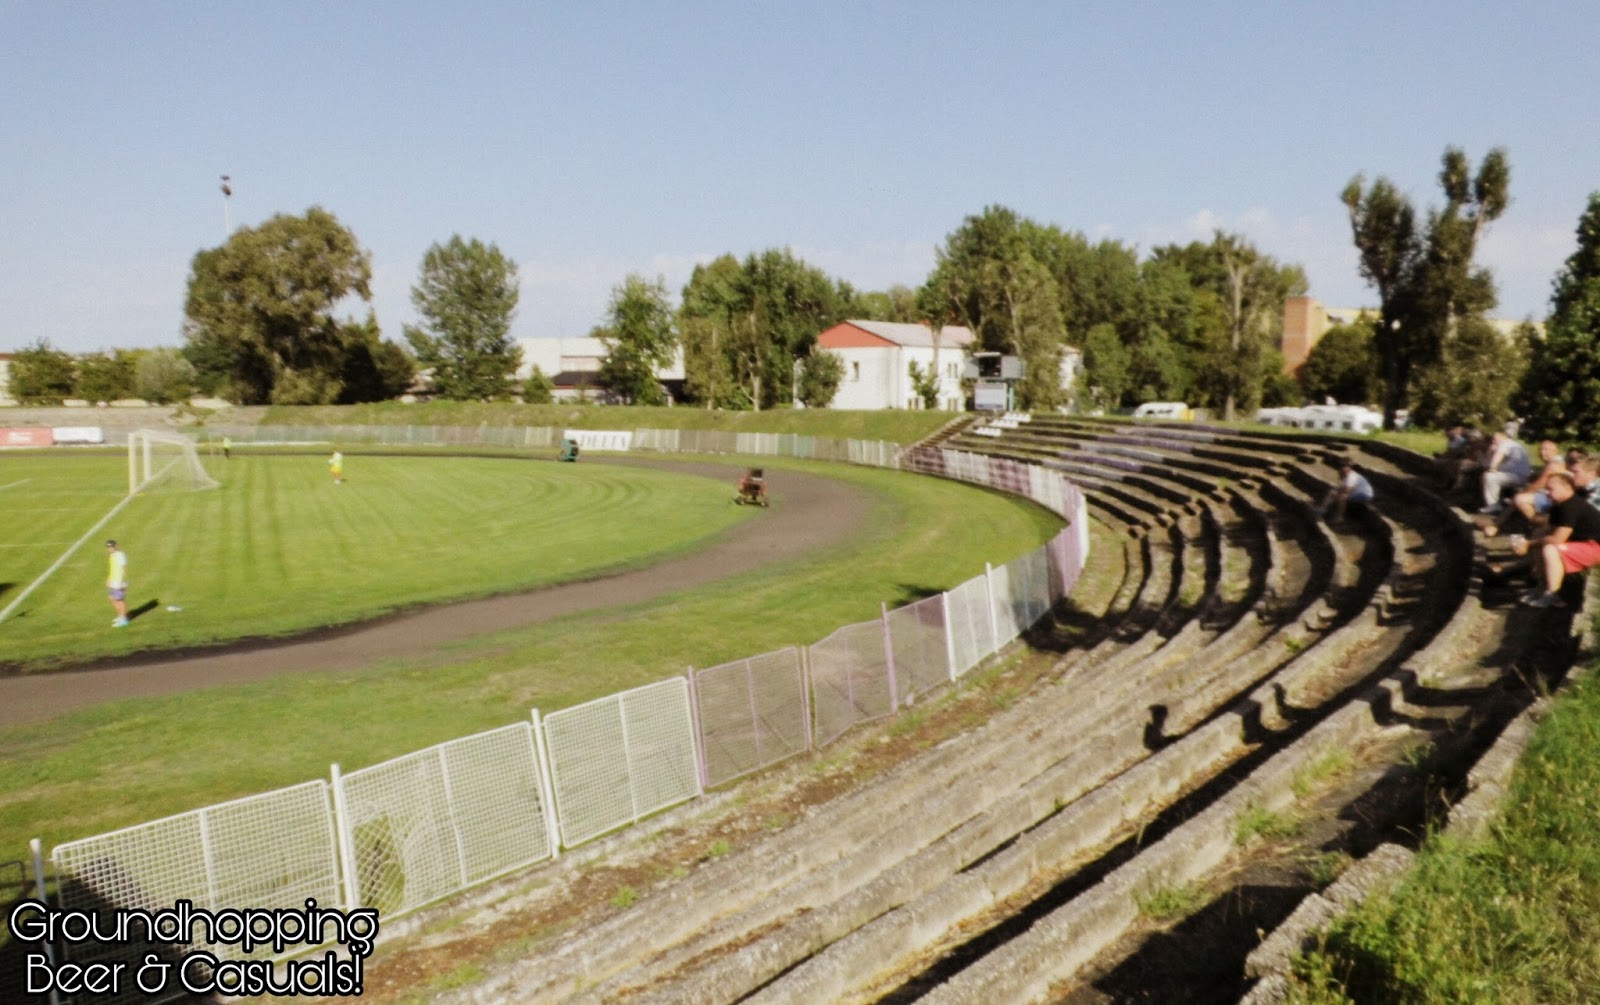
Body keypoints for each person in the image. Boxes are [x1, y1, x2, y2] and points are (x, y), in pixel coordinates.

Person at [1520, 472, 1600, 608]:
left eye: (1551, 489)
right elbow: (1548, 531)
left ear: (1567, 487)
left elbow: (1557, 539)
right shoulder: (1558, 506)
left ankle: (1552, 594)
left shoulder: (1572, 506)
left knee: (1551, 548)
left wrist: (1528, 544)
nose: (1547, 493)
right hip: (1582, 545)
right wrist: (1532, 542)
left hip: (1595, 547)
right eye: (1546, 489)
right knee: (1541, 536)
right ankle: (1542, 586)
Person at [1480, 430, 1532, 514]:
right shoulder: (1515, 445)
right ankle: (1498, 502)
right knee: (1491, 476)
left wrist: (1491, 457)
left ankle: (1493, 505)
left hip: (1516, 476)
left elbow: (1493, 464)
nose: (1493, 441)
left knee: (1490, 477)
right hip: (1520, 476)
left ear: (1503, 437)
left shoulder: (1505, 444)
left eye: (1495, 439)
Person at [105, 539, 129, 627]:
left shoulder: (120, 555)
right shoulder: (112, 556)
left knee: (119, 600)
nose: (110, 548)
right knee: (112, 598)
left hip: (119, 582)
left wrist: (122, 582)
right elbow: (113, 569)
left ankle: (124, 619)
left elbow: (124, 568)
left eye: (111, 547)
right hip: (113, 581)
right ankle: (120, 615)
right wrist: (109, 578)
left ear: (115, 546)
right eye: (108, 547)